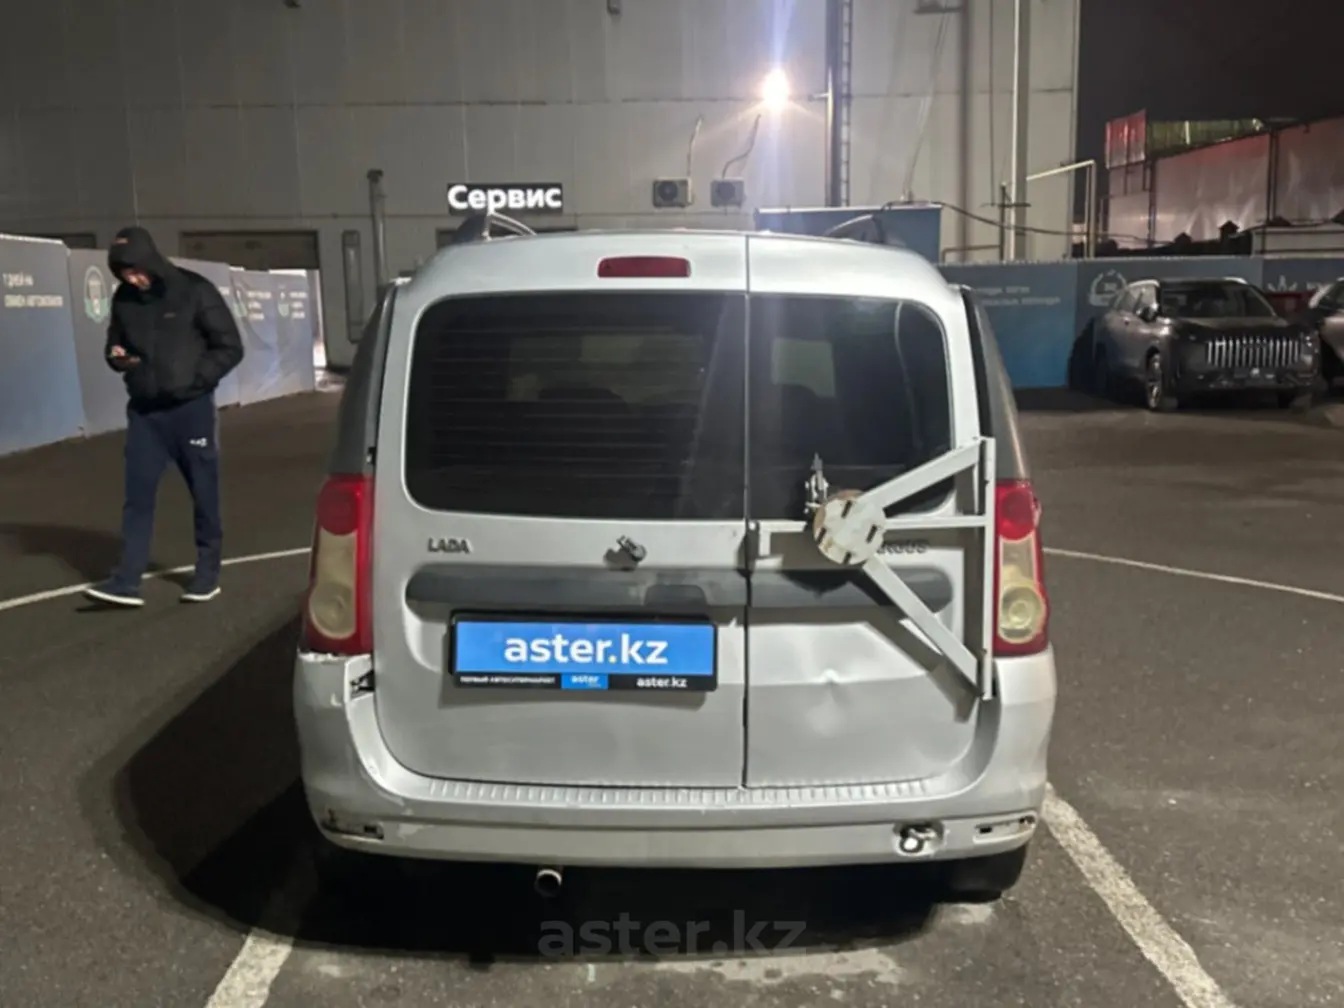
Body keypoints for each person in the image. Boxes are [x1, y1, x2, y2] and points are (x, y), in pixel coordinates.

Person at [84, 227, 245, 608]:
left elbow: (230, 346)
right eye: (124, 274)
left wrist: (196, 381)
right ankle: (126, 581)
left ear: (151, 261)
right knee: (137, 498)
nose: (132, 279)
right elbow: (114, 344)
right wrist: (117, 357)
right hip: (145, 414)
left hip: (191, 411)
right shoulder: (124, 299)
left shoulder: (195, 290)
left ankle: (207, 576)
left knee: (204, 494)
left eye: (136, 271)